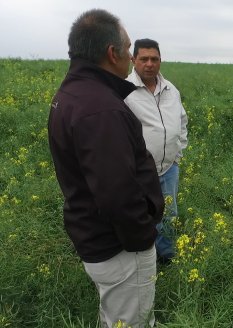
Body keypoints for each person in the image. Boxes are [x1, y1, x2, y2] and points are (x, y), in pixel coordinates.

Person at [47, 9, 163, 328]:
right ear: (112, 54)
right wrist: (143, 238)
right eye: (127, 50)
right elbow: (117, 195)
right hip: (120, 248)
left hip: (93, 236)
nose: (130, 57)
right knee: (132, 322)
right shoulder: (101, 110)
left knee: (115, 317)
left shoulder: (71, 95)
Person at [125, 38, 188, 263]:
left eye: (155, 59)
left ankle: (167, 256)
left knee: (169, 214)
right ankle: (143, 258)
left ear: (160, 60)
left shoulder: (171, 90)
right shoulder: (124, 90)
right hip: (139, 172)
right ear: (133, 60)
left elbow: (182, 122)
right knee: (141, 215)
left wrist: (177, 156)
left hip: (169, 167)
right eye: (144, 59)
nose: (150, 64)